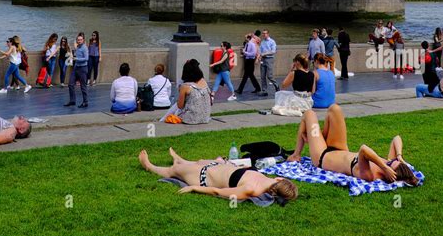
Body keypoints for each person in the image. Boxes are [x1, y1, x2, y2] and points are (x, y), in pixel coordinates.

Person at [288, 104, 419, 186]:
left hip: (323, 156)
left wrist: (384, 167)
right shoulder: (387, 164)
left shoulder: (369, 175)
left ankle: (296, 154)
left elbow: (363, 149)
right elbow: (397, 138)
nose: (389, 162)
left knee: (309, 114)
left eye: (390, 165)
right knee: (335, 109)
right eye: (391, 163)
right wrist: (399, 157)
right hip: (340, 148)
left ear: (390, 175)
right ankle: (316, 137)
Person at [138, 146, 298, 203]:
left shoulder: (251, 189)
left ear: (279, 180)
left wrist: (193, 187)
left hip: (203, 177)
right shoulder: (264, 178)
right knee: (199, 161)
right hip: (214, 166)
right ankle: (181, 160)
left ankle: (149, 166)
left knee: (172, 172)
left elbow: (218, 192)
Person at [160, 59, 211, 125]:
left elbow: (180, 106)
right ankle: (162, 119)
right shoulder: (203, 81)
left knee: (175, 107)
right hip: (205, 118)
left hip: (190, 119)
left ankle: (162, 120)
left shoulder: (185, 86)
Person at [65, 33, 89, 108]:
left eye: (80, 40)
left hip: (83, 68)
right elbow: (76, 55)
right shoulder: (77, 47)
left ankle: (85, 102)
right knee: (70, 84)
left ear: (83, 40)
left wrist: (76, 59)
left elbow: (86, 58)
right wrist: (71, 56)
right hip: (76, 68)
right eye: (78, 40)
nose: (79, 41)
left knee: (83, 86)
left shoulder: (84, 48)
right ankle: (72, 101)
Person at [259, 30, 279, 97]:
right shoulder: (262, 42)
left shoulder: (272, 41)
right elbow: (260, 51)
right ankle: (264, 91)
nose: (264, 34)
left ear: (268, 34)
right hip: (263, 60)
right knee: (262, 76)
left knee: (270, 76)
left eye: (265, 33)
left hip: (269, 59)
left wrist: (265, 53)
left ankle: (276, 85)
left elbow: (273, 51)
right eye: (263, 33)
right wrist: (259, 57)